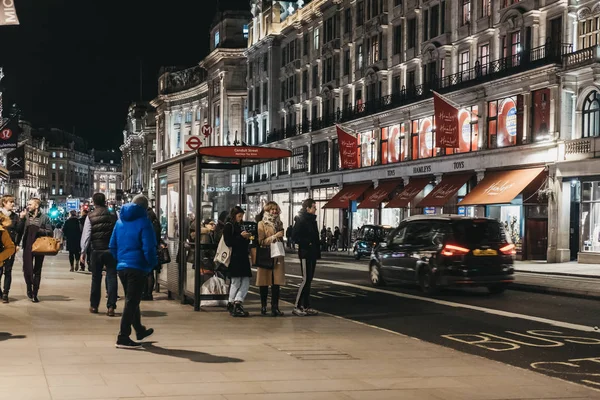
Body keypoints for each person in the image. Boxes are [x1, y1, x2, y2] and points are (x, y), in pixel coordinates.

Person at [110, 194, 157, 349]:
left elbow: (112, 245)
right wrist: (151, 264)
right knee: (131, 302)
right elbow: (149, 247)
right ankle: (123, 337)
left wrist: (121, 260)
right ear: (145, 208)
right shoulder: (145, 222)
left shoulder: (120, 222)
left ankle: (139, 330)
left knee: (132, 299)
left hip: (122, 267)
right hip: (137, 266)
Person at [81, 193, 118, 316]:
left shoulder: (90, 216)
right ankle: (111, 306)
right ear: (105, 201)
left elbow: (86, 235)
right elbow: (118, 232)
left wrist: (83, 252)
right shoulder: (114, 215)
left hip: (96, 250)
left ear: (94, 202)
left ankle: (94, 305)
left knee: (96, 278)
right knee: (112, 277)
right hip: (111, 250)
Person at [20, 198, 53, 303]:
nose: (28, 205)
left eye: (30, 204)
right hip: (27, 245)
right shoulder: (25, 217)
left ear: (36, 206)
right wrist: (21, 219)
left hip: (40, 246)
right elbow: (20, 230)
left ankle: (35, 293)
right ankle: (29, 287)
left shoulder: (44, 218)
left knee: (37, 270)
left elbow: (50, 232)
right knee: (27, 269)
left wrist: (38, 230)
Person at [291, 198, 320, 316]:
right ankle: (297, 306)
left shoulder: (313, 220)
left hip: (313, 252)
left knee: (309, 280)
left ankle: (307, 306)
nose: (315, 209)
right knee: (305, 279)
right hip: (305, 253)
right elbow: (294, 237)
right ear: (307, 208)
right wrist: (307, 243)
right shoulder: (301, 220)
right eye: (313, 207)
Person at [256, 202, 285, 316]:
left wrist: (280, 236)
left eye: (276, 209)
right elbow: (261, 241)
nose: (274, 211)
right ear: (267, 210)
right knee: (264, 283)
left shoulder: (279, 223)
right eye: (272, 209)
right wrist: (274, 236)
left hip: (277, 256)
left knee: (276, 283)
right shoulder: (261, 223)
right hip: (266, 254)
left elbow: (281, 237)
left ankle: (275, 307)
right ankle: (263, 306)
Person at [224, 206, 252, 317]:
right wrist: (240, 237)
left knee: (245, 280)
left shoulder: (241, 225)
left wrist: (247, 238)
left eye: (242, 216)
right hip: (235, 257)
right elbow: (228, 242)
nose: (241, 218)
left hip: (243, 256)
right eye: (239, 216)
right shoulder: (229, 226)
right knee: (236, 281)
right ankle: (235, 303)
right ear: (234, 215)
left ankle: (235, 302)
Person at [0, 195, 22, 303]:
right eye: (10, 202)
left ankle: (5, 293)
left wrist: (17, 244)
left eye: (13, 202)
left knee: (8, 270)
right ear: (4, 203)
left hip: (10, 247)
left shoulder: (15, 217)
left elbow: (19, 231)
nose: (13, 204)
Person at [142, 208, 165, 300]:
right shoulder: (156, 224)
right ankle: (149, 293)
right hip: (154, 249)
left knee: (146, 273)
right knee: (150, 273)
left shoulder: (147, 224)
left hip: (146, 249)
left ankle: (145, 293)